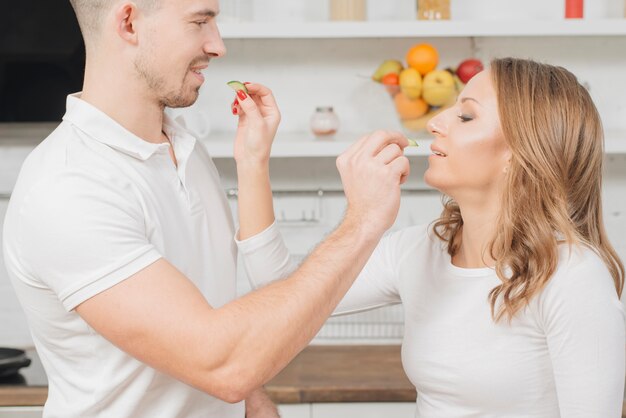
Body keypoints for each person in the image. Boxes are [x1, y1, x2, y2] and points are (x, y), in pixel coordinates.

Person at [1, 0, 411, 417]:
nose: (218, 46)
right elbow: (222, 363)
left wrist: (257, 404)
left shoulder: (185, 151)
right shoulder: (70, 186)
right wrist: (362, 222)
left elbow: (213, 322)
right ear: (128, 23)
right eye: (200, 22)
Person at [236, 58, 626, 417]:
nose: (436, 122)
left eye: (467, 116)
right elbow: (282, 294)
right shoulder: (422, 250)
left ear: (518, 154)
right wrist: (253, 161)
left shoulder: (573, 278)